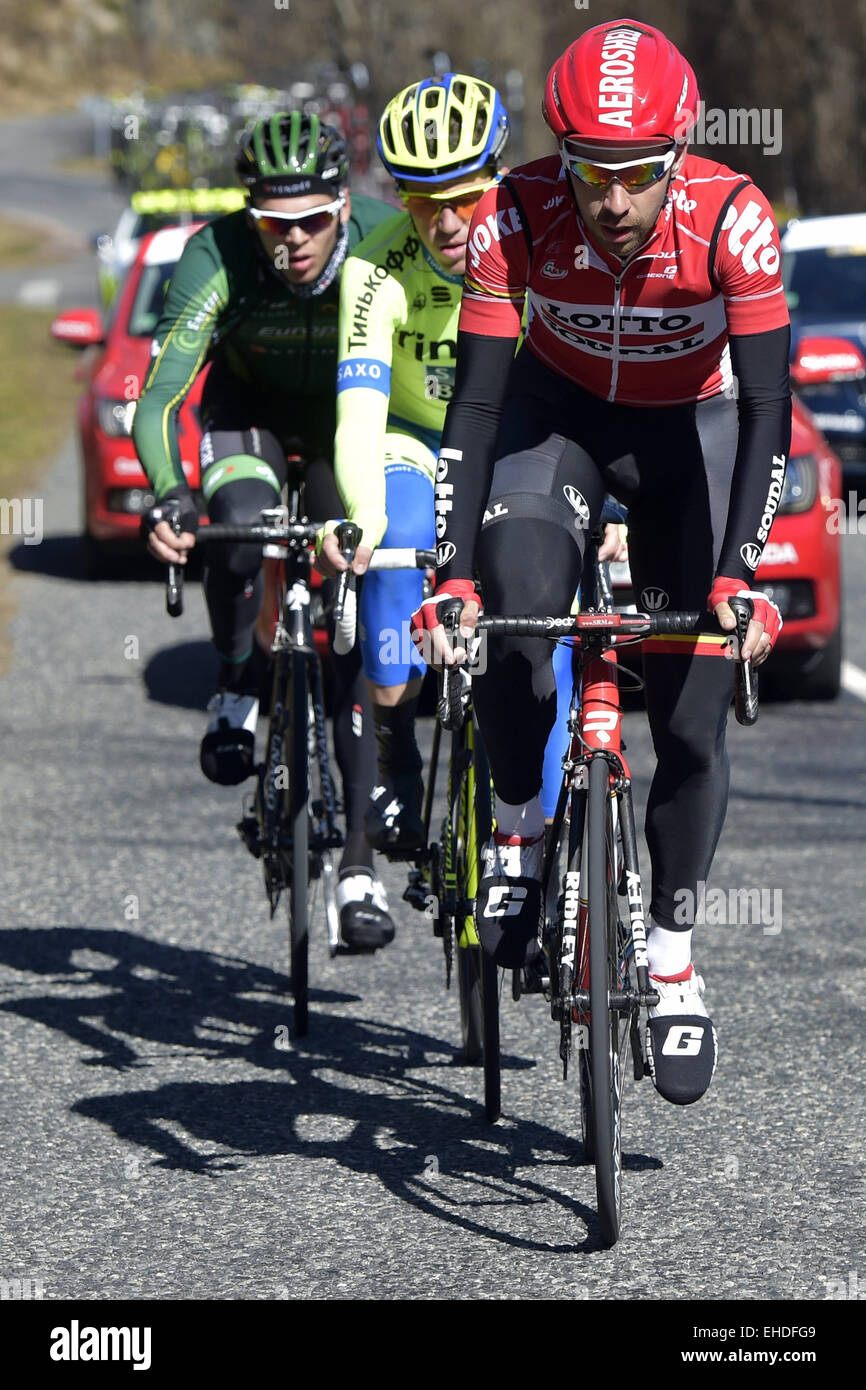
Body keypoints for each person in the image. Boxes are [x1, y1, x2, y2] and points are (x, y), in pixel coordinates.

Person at [411, 19, 789, 1104]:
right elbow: (474, 408)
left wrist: (739, 574)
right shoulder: (516, 213)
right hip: (556, 418)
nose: (609, 199)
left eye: (633, 175)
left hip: (689, 439)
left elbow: (766, 405)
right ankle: (523, 836)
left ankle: (671, 964)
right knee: (514, 614)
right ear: (558, 157)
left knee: (684, 718)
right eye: (589, 171)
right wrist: (450, 574)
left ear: (678, 156)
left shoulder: (735, 219)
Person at [133, 111, 398, 950]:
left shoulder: (385, 242)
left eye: (313, 222)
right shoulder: (216, 255)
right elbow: (162, 392)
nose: (293, 244)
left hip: (342, 427)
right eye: (273, 227)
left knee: (348, 581)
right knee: (239, 529)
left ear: (344, 205)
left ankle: (359, 863)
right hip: (245, 416)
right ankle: (236, 682)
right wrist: (171, 494)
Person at [317, 74, 510, 858]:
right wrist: (359, 515)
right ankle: (397, 753)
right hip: (408, 439)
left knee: (541, 602)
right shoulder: (373, 267)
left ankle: (539, 817)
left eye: (466, 195)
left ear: (496, 178)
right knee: (391, 544)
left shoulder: (533, 248)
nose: (449, 220)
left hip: (510, 442)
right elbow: (359, 410)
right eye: (425, 200)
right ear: (399, 196)